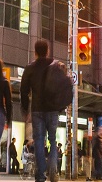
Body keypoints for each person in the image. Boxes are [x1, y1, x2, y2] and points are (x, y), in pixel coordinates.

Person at [20, 40, 68, 182]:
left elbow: (23, 90)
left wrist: (25, 109)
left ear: (35, 52)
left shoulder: (30, 68)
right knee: (53, 140)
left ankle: (41, 175)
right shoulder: (56, 65)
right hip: (53, 109)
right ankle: (53, 171)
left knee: (39, 141)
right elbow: (62, 87)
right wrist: (61, 107)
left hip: (37, 110)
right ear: (47, 51)